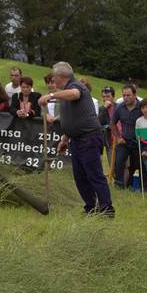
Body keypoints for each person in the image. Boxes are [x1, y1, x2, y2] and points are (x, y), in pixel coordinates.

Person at [38, 62, 113, 217]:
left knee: (94, 175)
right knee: (80, 177)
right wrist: (65, 139)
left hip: (89, 138)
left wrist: (51, 96)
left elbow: (75, 94)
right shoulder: (65, 92)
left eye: (54, 77)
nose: (53, 80)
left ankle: (107, 209)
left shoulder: (76, 86)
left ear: (60, 76)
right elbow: (74, 119)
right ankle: (90, 208)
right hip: (77, 139)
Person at [111, 84, 143, 189]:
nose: (126, 98)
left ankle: (135, 187)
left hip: (138, 141)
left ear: (135, 95)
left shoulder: (142, 107)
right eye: (124, 95)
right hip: (124, 141)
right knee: (118, 163)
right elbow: (112, 123)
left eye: (128, 95)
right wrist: (118, 137)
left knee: (137, 165)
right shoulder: (120, 107)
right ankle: (119, 185)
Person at [98, 86, 116, 165]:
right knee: (112, 166)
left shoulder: (119, 107)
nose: (105, 99)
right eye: (104, 97)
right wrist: (105, 108)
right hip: (109, 141)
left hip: (120, 140)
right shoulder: (101, 109)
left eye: (108, 96)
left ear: (113, 97)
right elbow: (98, 122)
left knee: (122, 167)